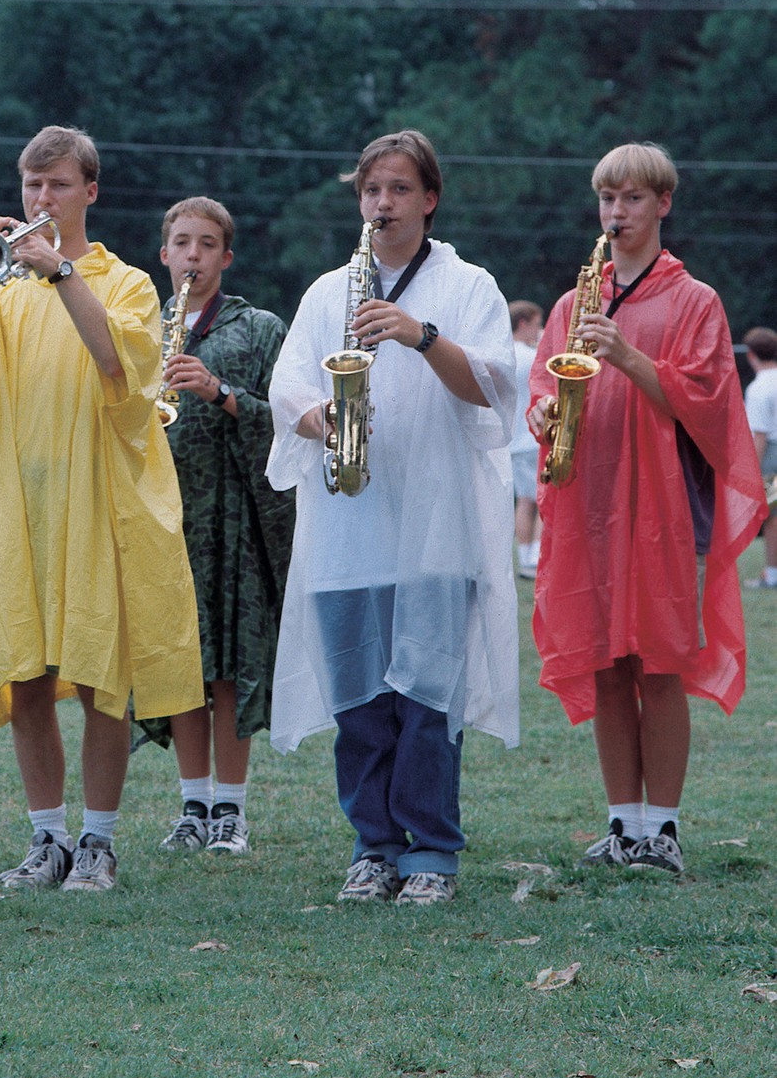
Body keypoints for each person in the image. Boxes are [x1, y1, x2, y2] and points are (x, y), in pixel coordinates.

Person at [266, 128, 518, 906]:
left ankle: (433, 853)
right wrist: (326, 424)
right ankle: (373, 846)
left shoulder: (469, 285)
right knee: (361, 704)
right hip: (351, 523)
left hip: (437, 526)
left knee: (428, 698)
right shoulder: (325, 293)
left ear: (430, 199)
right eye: (372, 190)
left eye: (401, 189)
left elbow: (493, 389)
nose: (383, 203)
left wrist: (420, 334)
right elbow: (290, 391)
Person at [0, 125, 204, 894]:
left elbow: (118, 363)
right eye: (33, 186)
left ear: (90, 192)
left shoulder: (125, 281)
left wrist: (60, 269)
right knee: (27, 674)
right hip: (16, 506)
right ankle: (46, 839)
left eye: (59, 186)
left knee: (104, 675)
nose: (43, 199)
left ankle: (98, 843)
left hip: (96, 502)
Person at [529, 143, 765, 875]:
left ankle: (661, 829)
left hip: (664, 510)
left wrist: (629, 356)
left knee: (658, 666)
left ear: (663, 205)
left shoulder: (697, 301)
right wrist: (542, 414)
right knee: (604, 666)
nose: (616, 213)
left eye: (632, 199)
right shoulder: (575, 301)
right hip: (587, 505)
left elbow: (708, 407)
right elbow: (545, 384)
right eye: (607, 199)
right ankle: (621, 822)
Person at [135, 196, 294, 856]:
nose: (193, 256)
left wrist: (220, 393)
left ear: (226, 257)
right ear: (164, 253)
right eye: (182, 243)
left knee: (229, 664)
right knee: (179, 666)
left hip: (231, 517)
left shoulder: (257, 328)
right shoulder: (138, 328)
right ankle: (193, 805)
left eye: (206, 244)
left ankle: (231, 809)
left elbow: (288, 421)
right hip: (162, 520)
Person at [508, 300, 544, 579]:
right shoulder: (531, 356)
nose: (539, 329)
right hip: (533, 436)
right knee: (542, 499)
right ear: (523, 323)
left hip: (515, 440)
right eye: (535, 323)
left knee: (524, 500)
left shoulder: (508, 353)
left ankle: (524, 556)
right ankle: (535, 557)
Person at [741, 325, 777, 590]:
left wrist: (750, 473)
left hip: (772, 454)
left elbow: (760, 435)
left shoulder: (758, 388)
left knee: (773, 515)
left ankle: (772, 574)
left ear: (751, 355)